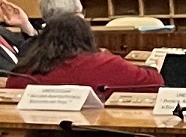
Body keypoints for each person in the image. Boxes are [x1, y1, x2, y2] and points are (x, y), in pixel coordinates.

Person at [6, 14, 163, 91]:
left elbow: (12, 85)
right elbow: (155, 82)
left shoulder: (28, 69)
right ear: (87, 37)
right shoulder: (105, 64)